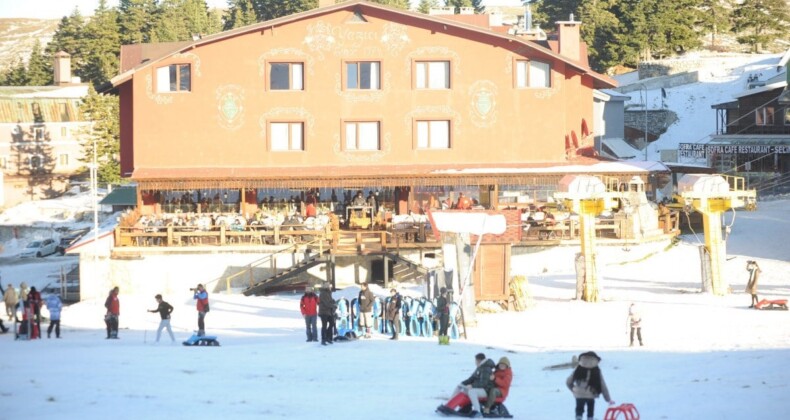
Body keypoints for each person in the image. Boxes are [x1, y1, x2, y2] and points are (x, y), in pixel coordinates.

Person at [438, 353, 496, 417]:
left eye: (475, 361)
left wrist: (472, 386)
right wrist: (463, 383)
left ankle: (478, 412)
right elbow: (471, 378)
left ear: (478, 360)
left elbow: (484, 383)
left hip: (486, 390)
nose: (475, 362)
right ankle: (448, 405)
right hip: (478, 388)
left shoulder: (486, 369)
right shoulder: (480, 367)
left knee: (471, 392)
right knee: (459, 387)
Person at [566, 351, 614, 420]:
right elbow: (603, 385)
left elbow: (568, 381)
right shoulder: (596, 370)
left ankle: (578, 417)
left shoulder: (578, 368)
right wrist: (608, 399)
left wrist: (573, 389)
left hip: (579, 394)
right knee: (590, 409)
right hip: (591, 394)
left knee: (579, 409)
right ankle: (590, 417)